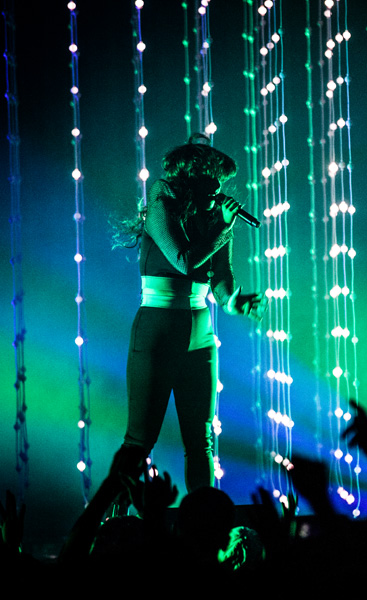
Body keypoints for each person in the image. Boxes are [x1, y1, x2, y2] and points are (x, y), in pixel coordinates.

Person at [115, 133, 264, 492]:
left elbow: (221, 280)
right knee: (140, 440)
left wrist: (234, 302)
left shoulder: (214, 219)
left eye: (222, 181)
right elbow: (184, 262)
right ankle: (112, 517)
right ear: (193, 176)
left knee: (201, 441)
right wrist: (221, 229)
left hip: (200, 331)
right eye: (213, 178)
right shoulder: (160, 205)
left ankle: (204, 524)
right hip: (158, 327)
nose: (219, 187)